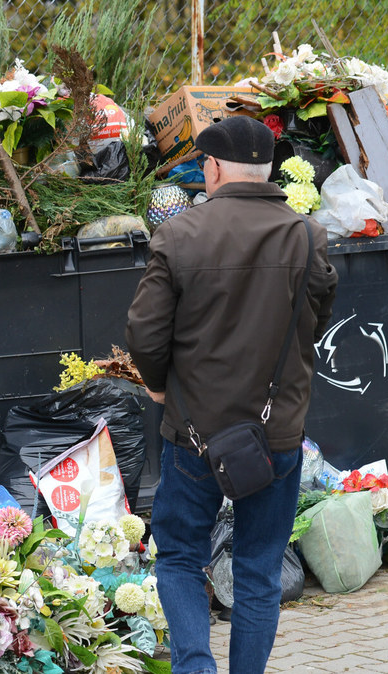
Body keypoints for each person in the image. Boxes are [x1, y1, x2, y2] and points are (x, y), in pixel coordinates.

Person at [125, 115, 338, 674]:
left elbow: (145, 334)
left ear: (213, 168)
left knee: (177, 558)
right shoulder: (307, 235)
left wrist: (158, 386)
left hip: (195, 432)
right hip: (276, 433)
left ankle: (195, 666)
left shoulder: (178, 234)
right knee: (260, 569)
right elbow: (315, 321)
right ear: (267, 170)